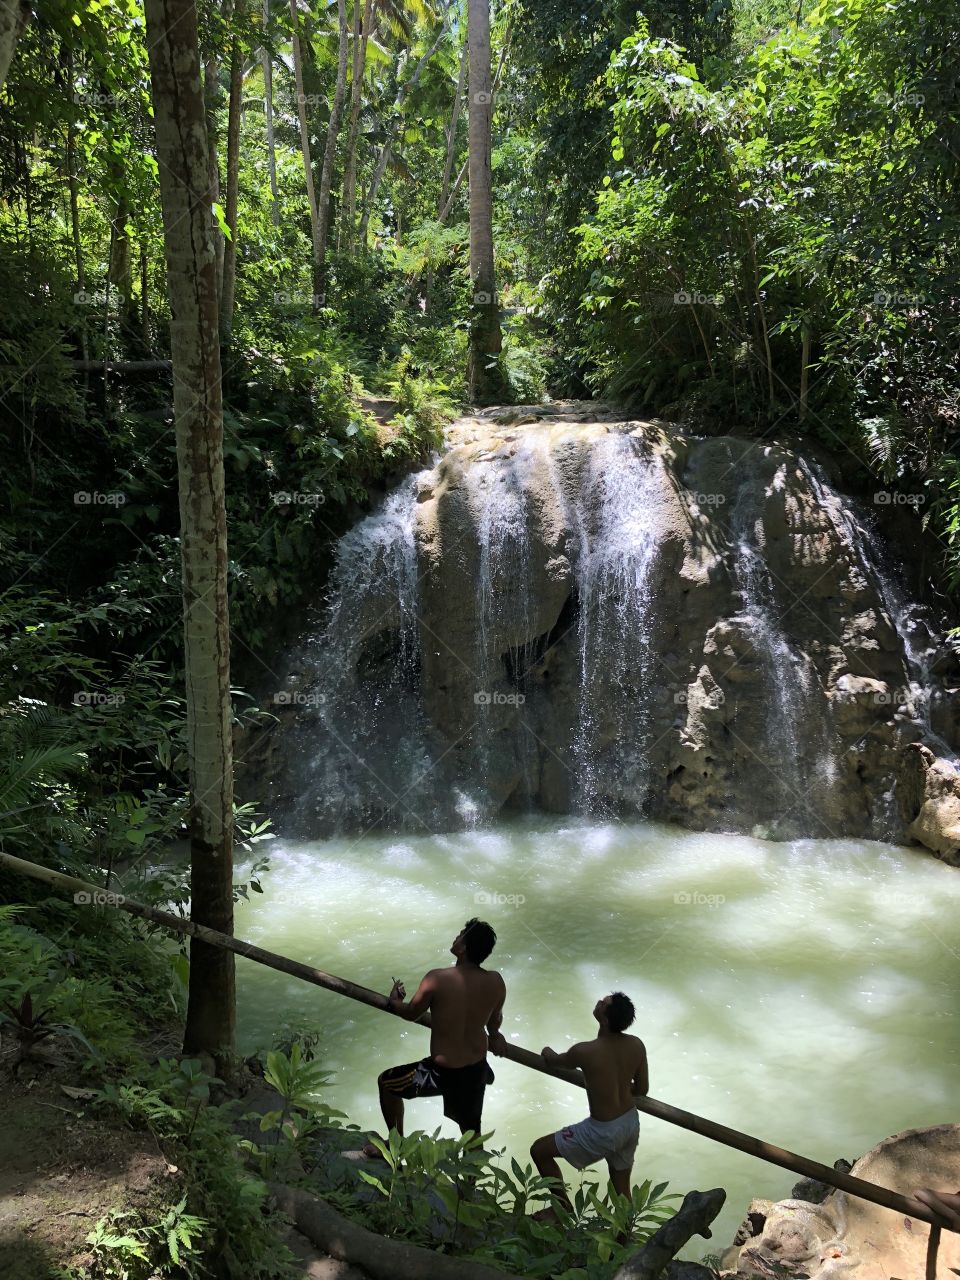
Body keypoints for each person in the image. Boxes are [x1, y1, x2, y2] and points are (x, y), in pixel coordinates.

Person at [363, 918, 507, 1158]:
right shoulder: (496, 982)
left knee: (386, 1084)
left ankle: (395, 1146)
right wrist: (496, 1036)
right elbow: (494, 1022)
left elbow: (411, 1013)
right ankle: (470, 1188)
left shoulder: (437, 979)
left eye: (461, 934)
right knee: (471, 1131)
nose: (456, 936)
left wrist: (394, 1001)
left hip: (441, 1073)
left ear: (463, 947)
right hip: (474, 1069)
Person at [530, 991, 647, 1216]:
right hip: (630, 1122)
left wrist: (545, 1050)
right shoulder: (636, 1045)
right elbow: (641, 1089)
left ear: (604, 1018)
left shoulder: (585, 1051)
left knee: (539, 1150)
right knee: (621, 1187)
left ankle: (562, 1208)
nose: (599, 1001)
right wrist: (617, 1085)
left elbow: (556, 1060)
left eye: (603, 1003)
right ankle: (625, 1235)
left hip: (603, 1130)